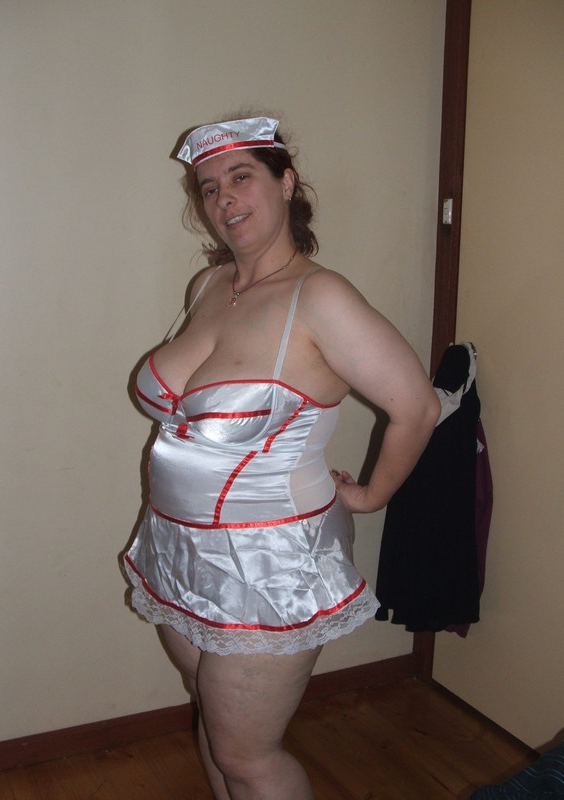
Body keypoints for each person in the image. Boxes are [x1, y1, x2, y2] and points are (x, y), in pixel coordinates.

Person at [124, 115, 440, 800]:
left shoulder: (320, 298)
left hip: (268, 563)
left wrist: (371, 495)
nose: (224, 199)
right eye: (209, 188)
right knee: (213, 722)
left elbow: (417, 406)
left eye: (241, 177)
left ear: (286, 183)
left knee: (248, 756)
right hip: (177, 547)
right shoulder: (210, 286)